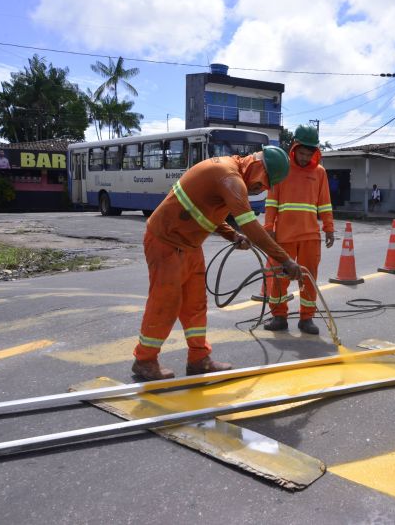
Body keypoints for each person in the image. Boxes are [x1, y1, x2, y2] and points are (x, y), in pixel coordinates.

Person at [131, 146, 302, 381]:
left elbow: (207, 212)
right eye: (263, 183)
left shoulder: (229, 175)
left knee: (195, 305)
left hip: (189, 245)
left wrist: (232, 235)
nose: (260, 189)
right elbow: (251, 225)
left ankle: (199, 359)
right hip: (166, 241)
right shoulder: (229, 176)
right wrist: (285, 259)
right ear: (258, 167)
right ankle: (144, 361)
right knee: (166, 302)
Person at [263, 125, 335, 335]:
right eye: (301, 153)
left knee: (308, 279)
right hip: (283, 236)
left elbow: (325, 204)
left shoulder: (319, 173)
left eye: (308, 154)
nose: (304, 158)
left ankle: (307, 318)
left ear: (315, 153)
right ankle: (279, 316)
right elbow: (272, 201)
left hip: (311, 236)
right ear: (294, 148)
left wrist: (329, 228)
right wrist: (269, 227)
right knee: (279, 278)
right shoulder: (282, 170)